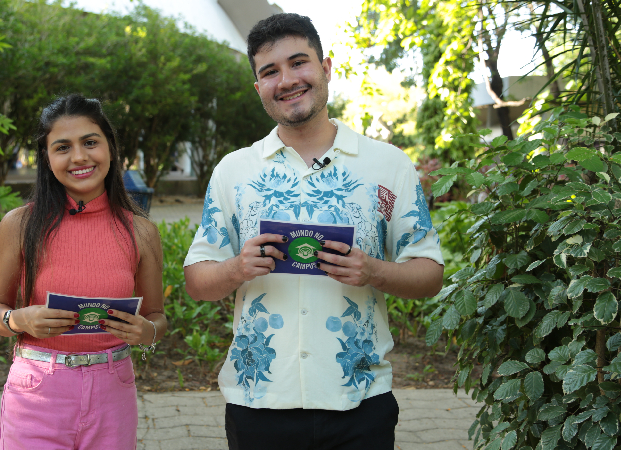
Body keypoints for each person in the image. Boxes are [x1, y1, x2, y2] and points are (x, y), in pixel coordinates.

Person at [183, 13, 444, 450]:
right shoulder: (234, 171)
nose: (286, 80)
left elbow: (430, 274)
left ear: (325, 68)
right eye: (269, 72)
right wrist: (236, 269)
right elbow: (196, 281)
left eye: (298, 63)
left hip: (360, 400)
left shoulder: (387, 165)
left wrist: (374, 271)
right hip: (258, 400)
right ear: (258, 88)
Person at [0, 94, 166, 450]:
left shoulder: (141, 232)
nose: (79, 157)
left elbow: (157, 316)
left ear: (111, 149)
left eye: (90, 142)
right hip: (36, 393)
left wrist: (147, 331)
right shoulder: (19, 225)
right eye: (63, 147)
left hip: (113, 392)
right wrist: (20, 320)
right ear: (47, 157)